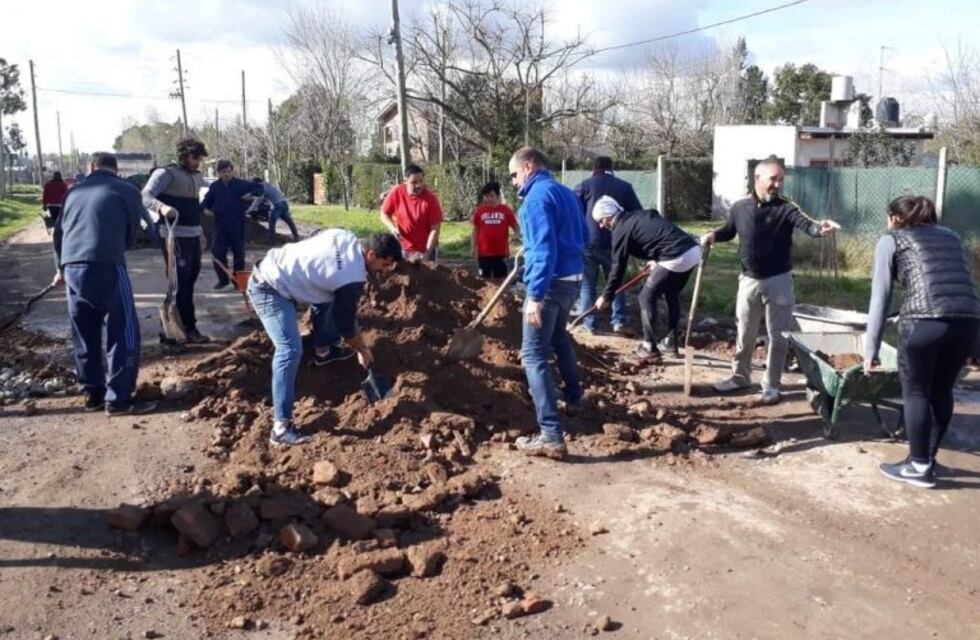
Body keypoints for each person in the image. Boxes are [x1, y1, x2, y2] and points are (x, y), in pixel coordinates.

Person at [864, 196, 980, 488]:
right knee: (941, 391)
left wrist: (870, 349)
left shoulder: (892, 239)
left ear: (894, 218)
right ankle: (926, 458)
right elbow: (964, 285)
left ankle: (918, 466)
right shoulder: (952, 237)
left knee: (916, 392)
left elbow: (880, 297)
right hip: (968, 323)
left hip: (924, 323)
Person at [701, 157, 837, 405]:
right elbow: (729, 230)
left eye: (781, 179)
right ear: (757, 178)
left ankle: (772, 385)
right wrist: (714, 235)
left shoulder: (787, 208)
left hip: (779, 280)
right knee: (745, 331)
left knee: (778, 335)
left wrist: (820, 229)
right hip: (749, 280)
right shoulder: (739, 207)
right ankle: (740, 376)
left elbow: (807, 225)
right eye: (773, 178)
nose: (778, 184)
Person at [247, 231, 403, 446]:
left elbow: (316, 236)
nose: (383, 271)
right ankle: (281, 429)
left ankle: (325, 351)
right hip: (269, 287)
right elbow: (346, 324)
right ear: (371, 254)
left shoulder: (345, 235)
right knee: (290, 350)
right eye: (383, 265)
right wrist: (362, 350)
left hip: (281, 270)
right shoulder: (351, 277)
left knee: (329, 295)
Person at [51, 153, 156, 416]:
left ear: (90, 168)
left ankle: (92, 394)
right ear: (116, 169)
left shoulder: (72, 192)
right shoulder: (127, 190)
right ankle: (119, 399)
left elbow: (58, 233)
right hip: (107, 264)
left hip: (72, 267)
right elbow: (133, 231)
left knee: (84, 330)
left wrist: (60, 268)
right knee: (123, 329)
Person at [508, 146, 587, 459]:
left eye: (514, 175)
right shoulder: (565, 193)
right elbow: (582, 234)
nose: (514, 182)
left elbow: (543, 250)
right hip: (573, 280)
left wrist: (535, 295)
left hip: (551, 284)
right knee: (558, 337)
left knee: (532, 355)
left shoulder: (535, 199)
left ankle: (551, 434)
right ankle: (574, 397)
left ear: (528, 167)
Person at [593, 196, 700, 366]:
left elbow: (617, 268)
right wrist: (657, 258)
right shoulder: (638, 216)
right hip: (692, 251)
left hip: (675, 255)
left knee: (645, 297)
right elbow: (659, 232)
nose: (600, 225)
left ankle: (649, 348)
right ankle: (671, 342)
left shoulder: (620, 229)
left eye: (600, 221)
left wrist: (607, 296)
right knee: (671, 293)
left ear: (607, 217)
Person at [142, 138, 210, 343]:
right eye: (194, 157)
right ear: (183, 155)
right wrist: (161, 208)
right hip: (173, 235)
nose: (198, 161)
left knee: (190, 281)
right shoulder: (166, 173)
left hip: (192, 234)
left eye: (200, 157)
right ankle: (178, 331)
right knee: (179, 283)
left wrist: (200, 232)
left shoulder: (197, 177)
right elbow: (145, 196)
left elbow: (194, 207)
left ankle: (182, 328)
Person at [573, 156, 643, 336]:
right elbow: (637, 213)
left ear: (594, 168)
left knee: (588, 284)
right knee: (617, 283)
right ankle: (618, 321)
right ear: (612, 168)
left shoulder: (585, 185)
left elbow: (573, 210)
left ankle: (590, 324)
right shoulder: (624, 187)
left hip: (589, 242)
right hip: (616, 242)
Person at [202, 160, 263, 290]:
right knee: (218, 253)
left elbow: (259, 188)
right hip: (220, 225)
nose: (227, 174)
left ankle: (238, 281)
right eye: (224, 172)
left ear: (232, 171)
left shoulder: (240, 184)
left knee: (239, 255)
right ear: (219, 173)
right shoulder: (215, 187)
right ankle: (223, 280)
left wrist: (251, 194)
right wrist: (206, 209)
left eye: (229, 171)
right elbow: (206, 201)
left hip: (237, 224)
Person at [380, 164, 443, 262]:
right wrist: (393, 228)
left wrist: (427, 253)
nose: (419, 185)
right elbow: (384, 214)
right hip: (403, 248)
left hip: (425, 249)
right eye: (414, 182)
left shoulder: (430, 199)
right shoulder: (396, 192)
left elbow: (435, 229)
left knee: (426, 276)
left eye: (421, 181)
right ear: (405, 181)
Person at [471, 180, 520, 278]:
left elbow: (515, 226)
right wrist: (473, 247)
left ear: (497, 196)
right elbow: (475, 231)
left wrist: (517, 235)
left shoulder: (505, 210)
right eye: (486, 196)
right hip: (484, 254)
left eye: (491, 196)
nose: (489, 199)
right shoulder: (479, 211)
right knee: (485, 280)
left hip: (501, 253)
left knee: (501, 279)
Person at [249, 177, 299, 243]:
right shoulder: (269, 186)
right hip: (284, 203)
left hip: (278, 205)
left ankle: (271, 240)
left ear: (257, 183)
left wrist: (250, 210)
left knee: (271, 222)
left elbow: (258, 200)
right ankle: (296, 236)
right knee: (289, 221)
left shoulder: (262, 187)